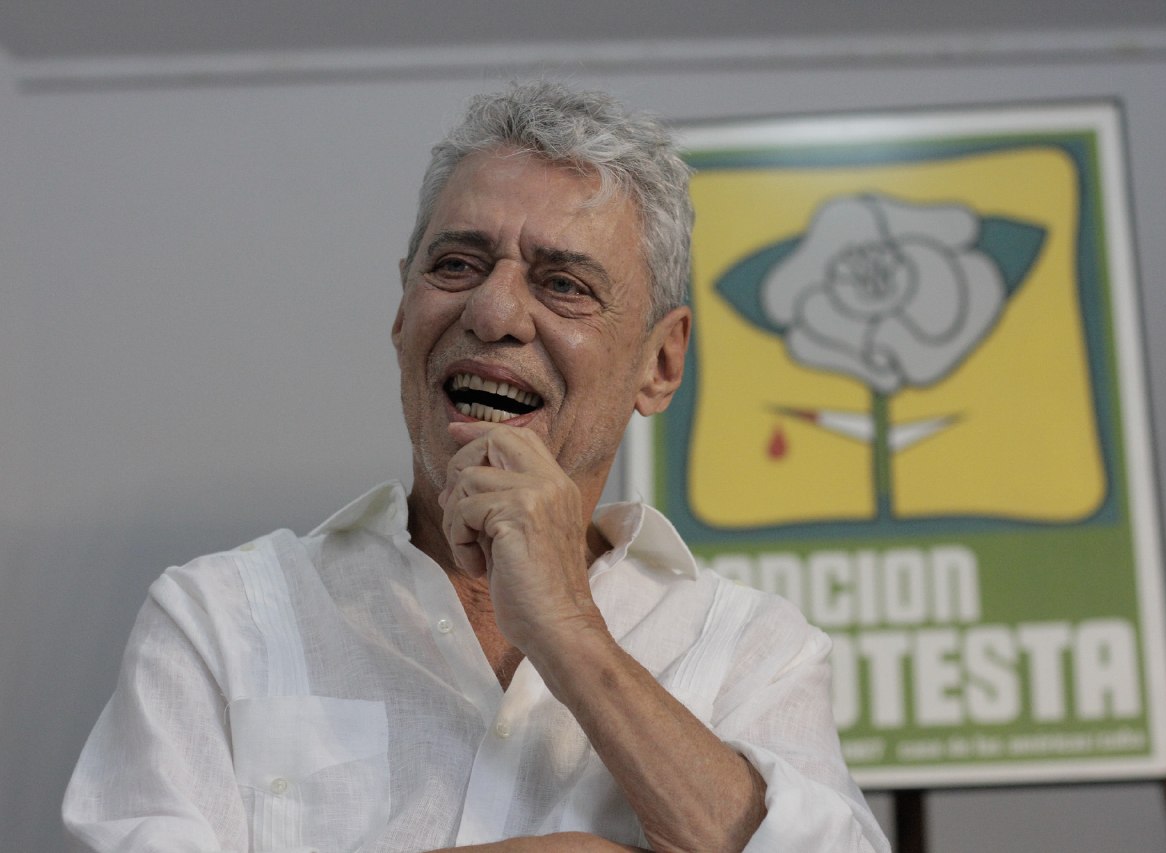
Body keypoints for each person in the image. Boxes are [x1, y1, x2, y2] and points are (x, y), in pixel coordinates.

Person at [63, 81, 890, 853]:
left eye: (563, 284)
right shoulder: (220, 621)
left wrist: (567, 627)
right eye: (455, 265)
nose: (492, 312)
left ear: (661, 363)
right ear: (401, 312)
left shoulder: (753, 649)